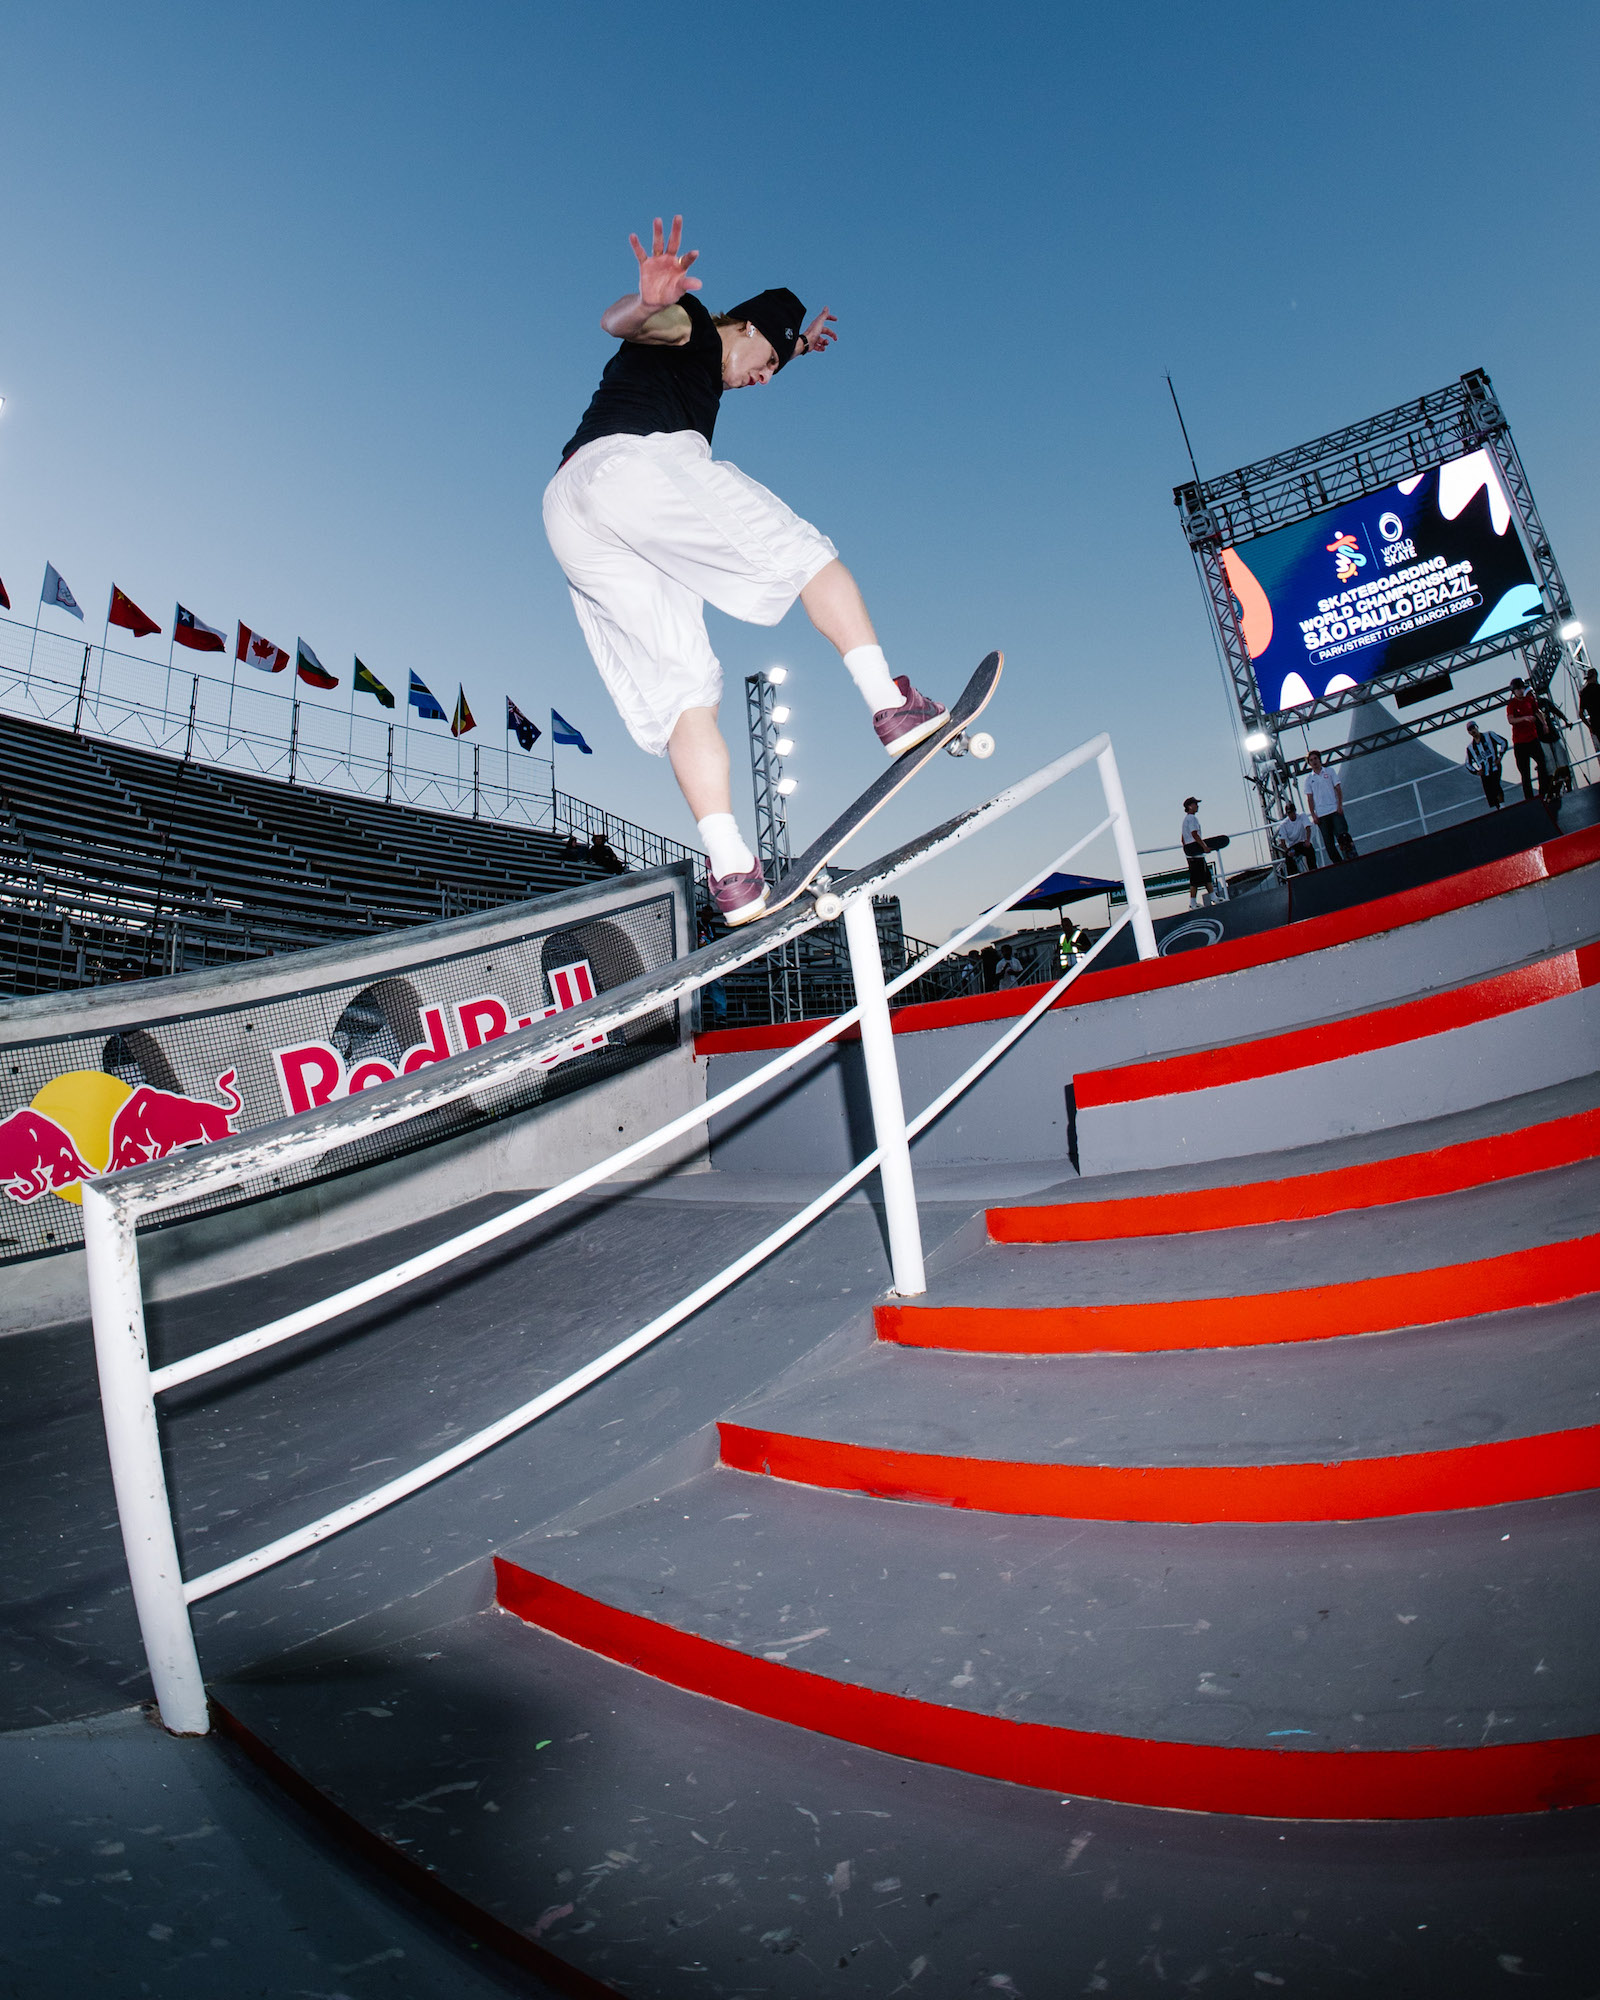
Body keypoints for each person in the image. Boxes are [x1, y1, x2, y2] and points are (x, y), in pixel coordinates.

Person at [543, 214, 948, 926]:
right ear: (747, 328)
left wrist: (798, 348)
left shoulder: (714, 361)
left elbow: (747, 351)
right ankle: (891, 703)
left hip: (572, 508)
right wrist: (647, 300)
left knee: (685, 689)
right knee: (806, 555)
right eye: (764, 366)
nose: (760, 382)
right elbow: (635, 322)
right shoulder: (696, 322)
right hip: (637, 464)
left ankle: (732, 870)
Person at [1304, 750, 1358, 863]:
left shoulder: (1330, 771)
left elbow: (1338, 788)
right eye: (1311, 760)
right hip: (1321, 814)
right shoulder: (1309, 779)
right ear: (1309, 763)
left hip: (1334, 809)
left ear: (1319, 759)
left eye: (1315, 759)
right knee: (1329, 844)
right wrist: (1313, 815)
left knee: (1342, 835)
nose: (1314, 762)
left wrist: (1339, 805)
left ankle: (1351, 858)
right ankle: (1338, 864)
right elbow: (1309, 798)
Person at [1505, 677, 1546, 803]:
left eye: (1522, 688)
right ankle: (1530, 799)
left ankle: (1543, 792)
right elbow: (1511, 720)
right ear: (1514, 691)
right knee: (1525, 773)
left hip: (1532, 739)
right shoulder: (1512, 705)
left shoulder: (1530, 700)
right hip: (1520, 743)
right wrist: (1524, 718)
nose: (1521, 691)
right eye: (1518, 689)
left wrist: (1544, 724)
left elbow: (1537, 711)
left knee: (1542, 763)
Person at [1465, 721, 1509, 810]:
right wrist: (1476, 772)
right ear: (1468, 732)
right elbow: (1467, 763)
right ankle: (1498, 809)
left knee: (1496, 785)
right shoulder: (1470, 747)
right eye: (1470, 730)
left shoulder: (1489, 735)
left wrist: (1500, 756)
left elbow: (1503, 742)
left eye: (1473, 728)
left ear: (1477, 727)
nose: (1472, 731)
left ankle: (1503, 806)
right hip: (1484, 772)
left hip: (1494, 766)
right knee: (1490, 792)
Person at [1180, 795, 1212, 908]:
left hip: (1190, 850)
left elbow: (1183, 839)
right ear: (1190, 806)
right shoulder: (1192, 819)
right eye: (1195, 804)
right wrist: (1204, 846)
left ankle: (1213, 897)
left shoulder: (1185, 820)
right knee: (1196, 877)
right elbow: (1194, 834)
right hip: (1195, 850)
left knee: (1206, 874)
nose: (1197, 806)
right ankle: (1193, 903)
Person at [1275, 799, 1318, 873]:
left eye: (1292, 812)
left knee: (1310, 849)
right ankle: (1293, 877)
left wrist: (1307, 841)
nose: (1291, 815)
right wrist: (1287, 851)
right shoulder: (1284, 824)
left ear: (1295, 811)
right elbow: (1282, 842)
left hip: (1303, 842)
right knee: (1288, 858)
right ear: (1287, 814)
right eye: (1289, 813)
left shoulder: (1302, 816)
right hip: (1292, 846)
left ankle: (1313, 871)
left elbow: (1308, 828)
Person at [1579, 667, 1600, 758]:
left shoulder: (1583, 693)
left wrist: (1589, 726)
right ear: (1595, 676)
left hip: (1596, 724)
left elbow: (1581, 714)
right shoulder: (1598, 688)